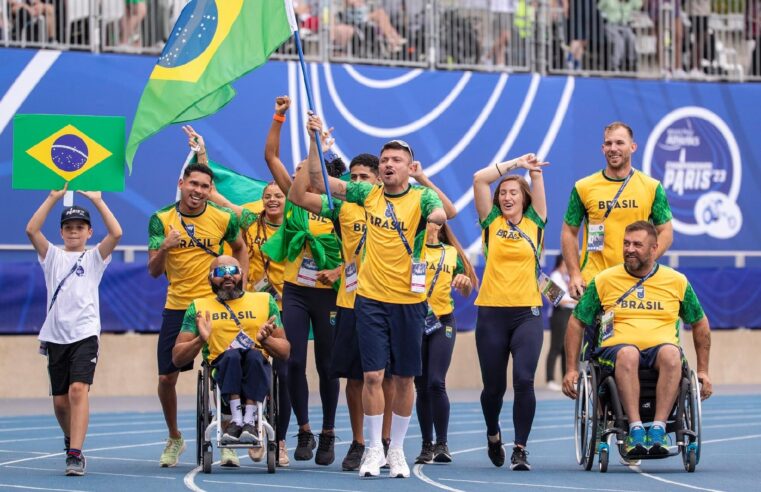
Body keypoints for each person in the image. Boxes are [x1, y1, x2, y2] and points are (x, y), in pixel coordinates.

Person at [304, 115, 447, 479]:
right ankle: (372, 450)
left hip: (409, 302)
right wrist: (315, 142)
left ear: (408, 166)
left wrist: (431, 202)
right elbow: (320, 181)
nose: (387, 164)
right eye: (384, 159)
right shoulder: (366, 193)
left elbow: (444, 212)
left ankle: (396, 450)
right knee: (371, 376)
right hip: (368, 298)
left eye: (395, 160)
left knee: (404, 380)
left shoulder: (420, 196)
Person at [181, 124, 291, 467]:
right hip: (230, 330)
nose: (273, 199)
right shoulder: (248, 220)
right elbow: (216, 196)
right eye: (267, 195)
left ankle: (268, 430)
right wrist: (201, 155)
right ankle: (237, 416)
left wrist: (267, 338)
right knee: (229, 358)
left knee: (269, 363)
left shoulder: (296, 225)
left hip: (276, 306)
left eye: (279, 195)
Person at [562, 221, 712, 456]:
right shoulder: (604, 279)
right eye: (626, 243)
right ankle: (635, 429)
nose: (629, 249)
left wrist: (703, 370)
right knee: (628, 352)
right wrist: (571, 369)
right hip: (616, 351)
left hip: (661, 349)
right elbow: (577, 321)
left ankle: (658, 430)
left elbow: (699, 322)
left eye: (637, 245)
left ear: (654, 249)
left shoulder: (676, 281)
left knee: (672, 354)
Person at [260, 96, 344, 466]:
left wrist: (339, 271)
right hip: (294, 292)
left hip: (327, 294)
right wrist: (279, 116)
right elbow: (270, 157)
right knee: (291, 360)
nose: (298, 174)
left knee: (328, 365)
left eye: (306, 170)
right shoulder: (294, 198)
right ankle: (304, 429)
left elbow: (360, 248)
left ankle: (328, 433)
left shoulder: (337, 204)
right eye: (297, 171)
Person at [148, 162, 248, 467]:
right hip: (178, 306)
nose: (199, 191)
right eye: (194, 184)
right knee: (167, 377)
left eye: (205, 186)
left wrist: (241, 281)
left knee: (225, 374)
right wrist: (165, 247)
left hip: (215, 306)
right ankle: (175, 437)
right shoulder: (161, 219)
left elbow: (240, 247)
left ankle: (227, 437)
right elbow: (154, 271)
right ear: (182, 183)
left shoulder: (222, 217)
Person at [25, 184, 122, 476]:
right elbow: (32, 230)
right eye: (69, 227)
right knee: (60, 402)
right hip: (55, 336)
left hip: (85, 334)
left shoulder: (94, 258)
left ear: (89, 232)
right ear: (62, 231)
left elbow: (116, 234)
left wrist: (97, 201)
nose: (74, 231)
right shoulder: (52, 256)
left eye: (80, 227)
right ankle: (70, 439)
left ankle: (76, 454)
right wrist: (53, 197)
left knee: (78, 390)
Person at [472, 153, 548, 471]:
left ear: (524, 198)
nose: (506, 197)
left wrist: (532, 173)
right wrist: (514, 164)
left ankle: (520, 448)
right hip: (491, 313)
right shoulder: (491, 223)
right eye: (502, 192)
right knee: (493, 389)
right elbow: (479, 179)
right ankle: (493, 433)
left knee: (524, 380)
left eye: (513, 192)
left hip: (527, 313)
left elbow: (537, 180)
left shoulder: (536, 221)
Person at [172, 256, 290, 450]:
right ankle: (236, 419)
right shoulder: (199, 307)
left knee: (252, 356)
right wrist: (200, 339)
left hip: (256, 363)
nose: (227, 275)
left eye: (233, 271)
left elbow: (285, 351)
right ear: (210, 279)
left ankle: (249, 421)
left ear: (242, 275)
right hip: (221, 367)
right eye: (220, 272)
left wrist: (266, 340)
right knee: (232, 355)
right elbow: (177, 357)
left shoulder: (264, 301)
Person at [561, 122, 673, 300]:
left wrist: (646, 261)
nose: (613, 148)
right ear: (602, 148)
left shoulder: (652, 187)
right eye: (608, 143)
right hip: (595, 283)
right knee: (594, 329)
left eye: (620, 143)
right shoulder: (583, 187)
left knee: (629, 329)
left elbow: (666, 231)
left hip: (635, 281)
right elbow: (569, 231)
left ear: (633, 147)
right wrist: (574, 274)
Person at [414, 221, 477, 465]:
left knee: (436, 382)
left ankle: (442, 443)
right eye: (427, 222)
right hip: (415, 321)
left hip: (443, 321)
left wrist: (465, 283)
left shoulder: (451, 253)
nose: (431, 226)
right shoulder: (411, 248)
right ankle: (426, 444)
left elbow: (466, 289)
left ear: (441, 227)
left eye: (435, 222)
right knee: (420, 386)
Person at [545, 255, 576, 391]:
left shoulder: (567, 278)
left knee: (566, 347)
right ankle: (550, 379)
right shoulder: (555, 276)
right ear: (563, 262)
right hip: (559, 314)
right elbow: (556, 300)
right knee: (556, 346)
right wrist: (574, 301)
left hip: (570, 313)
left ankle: (566, 377)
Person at [598, 0, 642, 72]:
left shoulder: (630, 2)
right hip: (610, 25)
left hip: (625, 26)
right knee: (619, 41)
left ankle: (631, 63)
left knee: (632, 38)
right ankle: (614, 65)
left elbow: (639, 5)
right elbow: (599, 9)